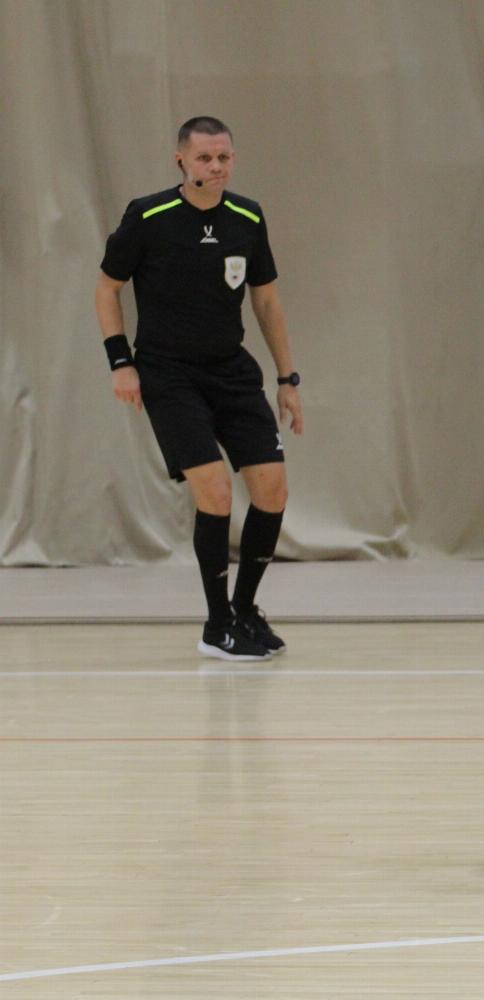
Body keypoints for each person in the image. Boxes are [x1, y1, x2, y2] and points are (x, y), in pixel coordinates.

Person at [95, 116, 302, 661]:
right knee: (214, 492)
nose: (215, 166)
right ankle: (216, 626)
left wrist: (287, 378)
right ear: (181, 161)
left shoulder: (247, 217)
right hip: (168, 374)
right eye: (205, 157)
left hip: (231, 372)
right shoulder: (148, 216)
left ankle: (245, 610)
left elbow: (266, 301)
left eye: (224, 157)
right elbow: (107, 288)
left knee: (272, 490)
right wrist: (121, 362)